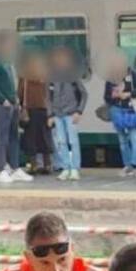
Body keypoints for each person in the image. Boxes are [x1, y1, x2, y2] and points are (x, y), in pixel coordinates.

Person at [0, 30, 32, 186]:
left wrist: (16, 98)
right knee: (2, 137)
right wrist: (2, 99)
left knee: (14, 136)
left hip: (13, 104)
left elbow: (11, 82)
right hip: (2, 105)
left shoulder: (8, 60)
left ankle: (15, 167)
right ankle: (1, 169)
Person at [104, 52, 136, 177]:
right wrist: (114, 96)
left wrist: (128, 94)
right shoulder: (110, 79)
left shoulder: (132, 75)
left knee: (134, 138)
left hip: (130, 109)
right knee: (122, 140)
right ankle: (128, 165)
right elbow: (106, 97)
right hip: (117, 109)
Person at [48, 45, 87, 181]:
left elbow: (84, 94)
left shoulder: (73, 76)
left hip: (71, 113)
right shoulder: (52, 76)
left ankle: (75, 168)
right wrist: (50, 114)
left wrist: (79, 111)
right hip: (57, 114)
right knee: (61, 142)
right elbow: (49, 96)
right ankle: (66, 168)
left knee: (73, 141)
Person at [18, 52, 55, 175]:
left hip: (30, 110)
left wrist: (21, 106)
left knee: (31, 138)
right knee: (45, 137)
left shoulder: (24, 77)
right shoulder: (46, 76)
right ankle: (47, 164)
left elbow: (20, 93)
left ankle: (33, 165)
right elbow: (50, 95)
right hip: (43, 110)